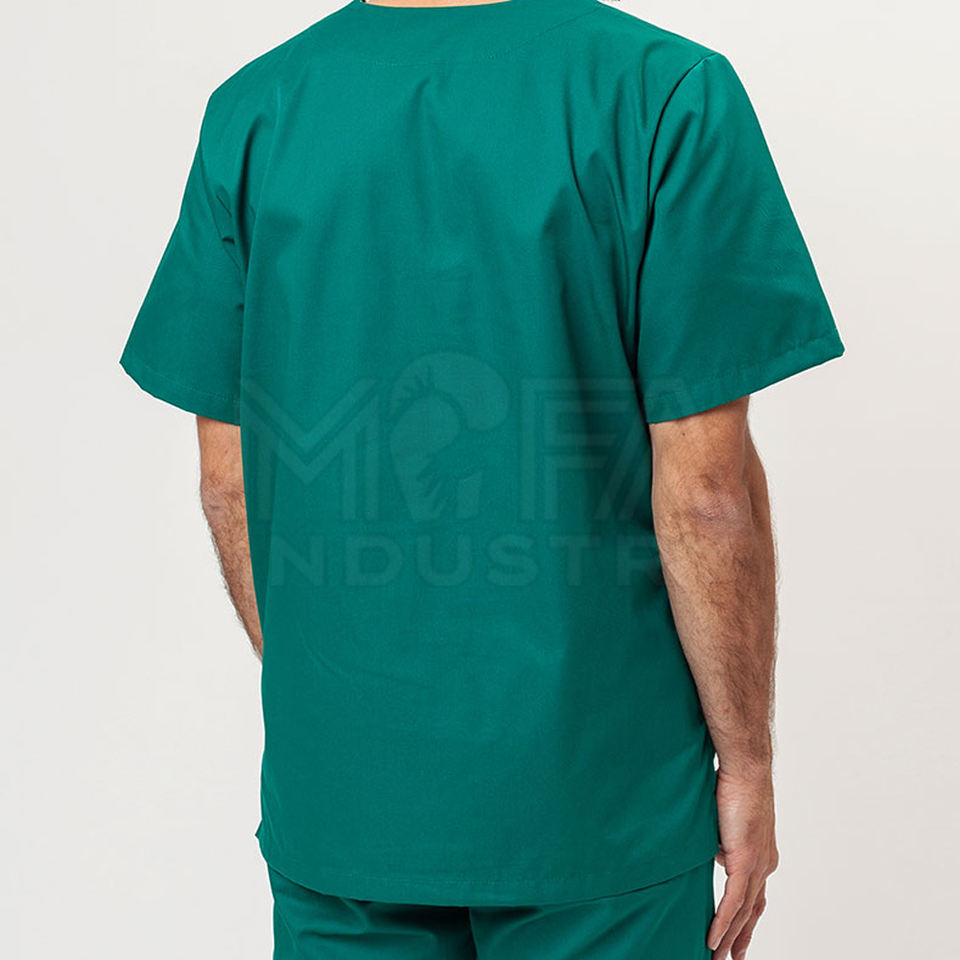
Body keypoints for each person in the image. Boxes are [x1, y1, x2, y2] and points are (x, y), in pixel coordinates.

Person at [119, 0, 844, 956]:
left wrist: (344, 705)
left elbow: (231, 482)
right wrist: (746, 764)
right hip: (600, 809)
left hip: (347, 803)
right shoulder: (662, 92)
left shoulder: (257, 109)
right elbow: (707, 495)